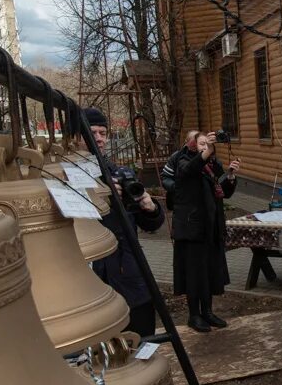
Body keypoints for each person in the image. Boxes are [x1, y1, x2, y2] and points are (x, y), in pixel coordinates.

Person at [84, 107, 166, 336]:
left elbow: (150, 224)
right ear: (77, 136)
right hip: (94, 280)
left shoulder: (118, 173)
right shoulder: (70, 179)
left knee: (143, 337)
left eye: (103, 132)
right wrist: (103, 199)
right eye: (92, 132)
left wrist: (150, 208)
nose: (99, 138)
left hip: (131, 274)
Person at [162, 130, 241, 333]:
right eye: (202, 143)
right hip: (191, 227)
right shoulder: (183, 160)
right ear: (191, 144)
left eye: (208, 143)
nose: (206, 146)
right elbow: (189, 171)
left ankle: (207, 312)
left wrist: (230, 176)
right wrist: (207, 153)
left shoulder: (212, 164)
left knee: (209, 271)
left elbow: (223, 191)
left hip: (211, 226)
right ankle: (193, 315)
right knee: (194, 273)